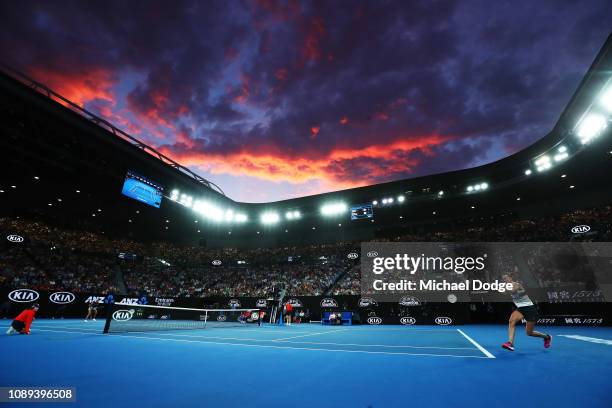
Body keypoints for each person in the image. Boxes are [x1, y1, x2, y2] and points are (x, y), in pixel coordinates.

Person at [501, 273, 552, 351]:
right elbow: (504, 293)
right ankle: (510, 343)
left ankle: (547, 337)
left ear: (510, 278)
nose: (504, 280)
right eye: (503, 279)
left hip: (529, 308)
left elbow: (512, 290)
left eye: (506, 278)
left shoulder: (516, 284)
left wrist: (503, 287)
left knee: (529, 333)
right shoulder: (507, 286)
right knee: (511, 321)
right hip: (520, 308)